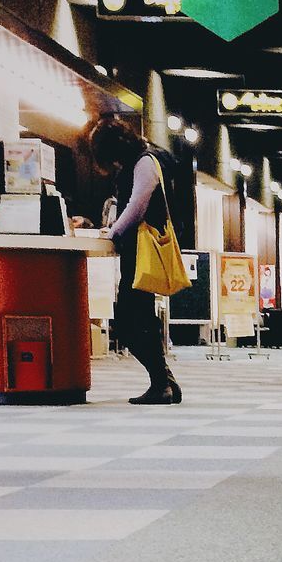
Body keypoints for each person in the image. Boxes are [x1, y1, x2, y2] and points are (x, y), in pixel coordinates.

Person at [87, 116, 182, 405]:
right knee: (139, 316)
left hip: (142, 250)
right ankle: (163, 382)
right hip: (139, 250)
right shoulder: (146, 158)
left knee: (131, 319)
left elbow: (138, 204)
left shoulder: (144, 161)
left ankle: (161, 383)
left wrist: (114, 232)